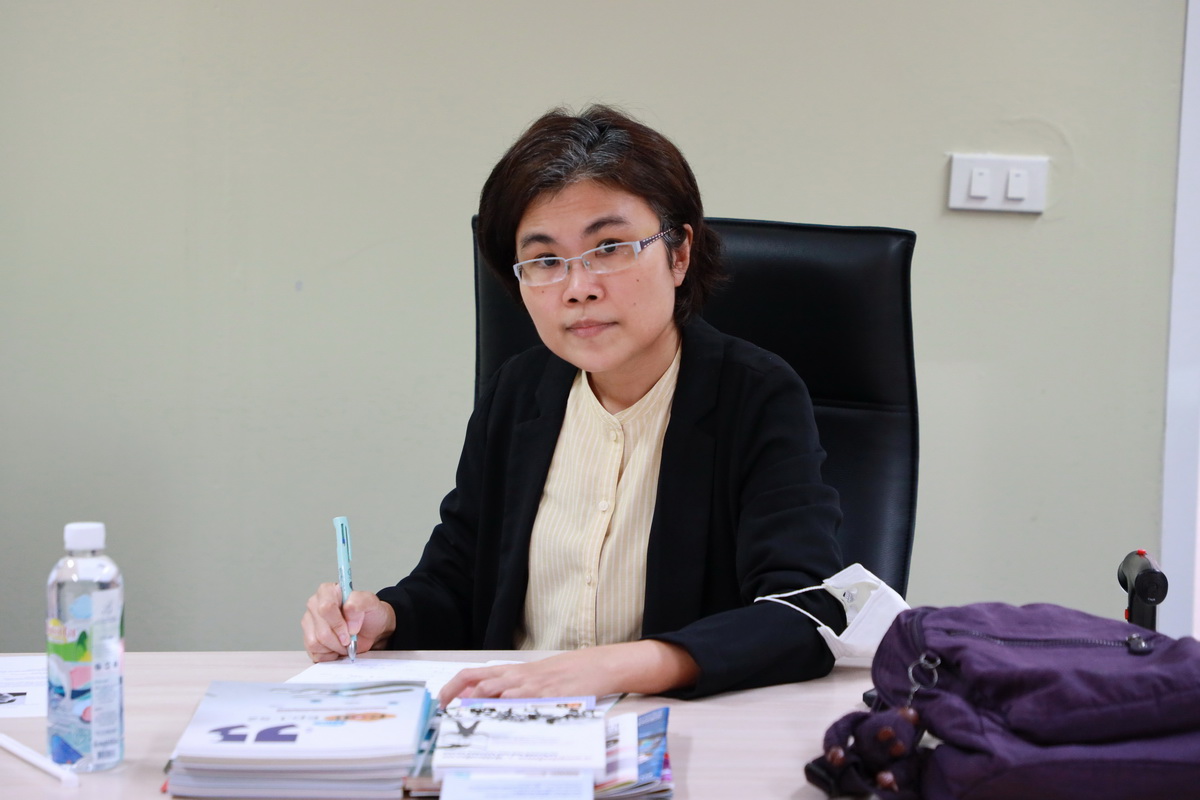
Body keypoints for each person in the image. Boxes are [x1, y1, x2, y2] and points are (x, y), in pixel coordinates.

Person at [302, 105, 846, 705]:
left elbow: (806, 613)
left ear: (679, 254)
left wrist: (624, 666)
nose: (578, 287)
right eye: (544, 261)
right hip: (512, 722)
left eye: (610, 247)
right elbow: (460, 580)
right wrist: (384, 617)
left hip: (673, 722)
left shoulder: (755, 395)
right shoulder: (518, 394)